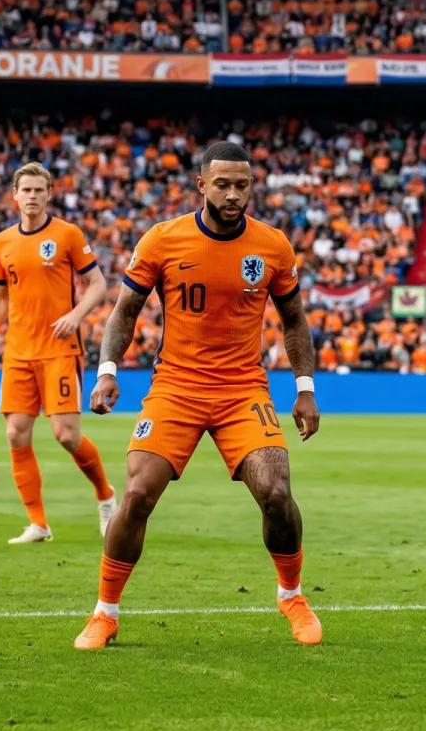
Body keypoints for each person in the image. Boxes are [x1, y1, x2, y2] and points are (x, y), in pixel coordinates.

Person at [76, 140, 323, 651]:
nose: (233, 195)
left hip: (242, 389)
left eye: (242, 185)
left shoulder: (273, 246)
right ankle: (105, 612)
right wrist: (105, 371)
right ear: (202, 185)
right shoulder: (163, 240)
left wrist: (305, 389)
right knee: (139, 494)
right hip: (176, 388)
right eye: (223, 184)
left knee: (276, 493)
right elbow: (124, 312)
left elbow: (294, 320)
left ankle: (293, 596)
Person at [0, 162, 116, 543]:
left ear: (50, 194)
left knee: (66, 435)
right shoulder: (2, 241)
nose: (33, 196)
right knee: (16, 433)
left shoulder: (67, 235)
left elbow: (98, 284)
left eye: (40, 190)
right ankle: (38, 522)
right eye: (27, 190)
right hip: (19, 351)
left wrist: (75, 315)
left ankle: (106, 496)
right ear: (15, 196)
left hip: (59, 349)